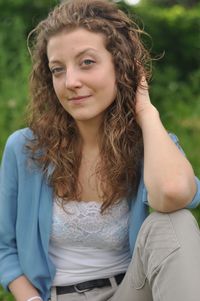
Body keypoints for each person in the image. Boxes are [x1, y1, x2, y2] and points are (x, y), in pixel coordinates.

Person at [0, 0, 200, 300]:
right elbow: (5, 247)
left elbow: (173, 192)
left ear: (120, 66)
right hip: (55, 296)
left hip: (131, 292)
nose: (71, 82)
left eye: (87, 62)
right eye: (57, 70)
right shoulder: (25, 148)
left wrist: (146, 111)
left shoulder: (150, 144)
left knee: (174, 220)